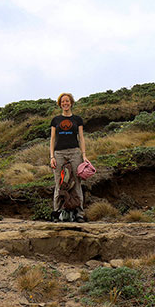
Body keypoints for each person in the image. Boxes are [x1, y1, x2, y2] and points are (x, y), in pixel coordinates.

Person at [50, 93, 87, 222]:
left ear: (71, 103)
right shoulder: (56, 120)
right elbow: (52, 138)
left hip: (75, 152)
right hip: (59, 153)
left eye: (67, 101)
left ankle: (79, 214)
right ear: (60, 104)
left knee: (77, 182)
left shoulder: (78, 119)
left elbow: (81, 138)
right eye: (62, 102)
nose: (65, 103)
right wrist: (51, 156)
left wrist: (84, 155)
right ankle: (57, 212)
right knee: (59, 183)